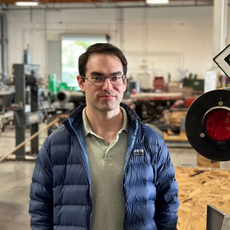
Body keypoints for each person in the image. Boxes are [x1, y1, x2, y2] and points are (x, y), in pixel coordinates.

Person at [29, 43, 179, 230]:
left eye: (115, 77)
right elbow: (40, 210)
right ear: (82, 82)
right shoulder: (56, 144)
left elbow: (168, 206)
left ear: (124, 82)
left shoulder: (151, 141)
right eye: (97, 77)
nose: (108, 87)